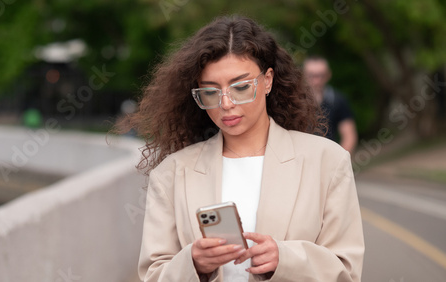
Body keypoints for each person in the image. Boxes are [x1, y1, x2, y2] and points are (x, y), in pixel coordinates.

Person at [118, 15, 364, 282]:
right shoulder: (171, 173)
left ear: (268, 80)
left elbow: (346, 271)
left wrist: (286, 260)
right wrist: (193, 264)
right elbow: (153, 275)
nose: (226, 103)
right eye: (211, 92)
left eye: (241, 87)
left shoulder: (327, 161)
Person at [303, 56, 358, 155]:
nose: (316, 80)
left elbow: (349, 136)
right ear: (303, 75)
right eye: (311, 75)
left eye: (321, 75)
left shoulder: (338, 100)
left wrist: (338, 162)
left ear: (328, 75)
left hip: (330, 159)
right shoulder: (293, 102)